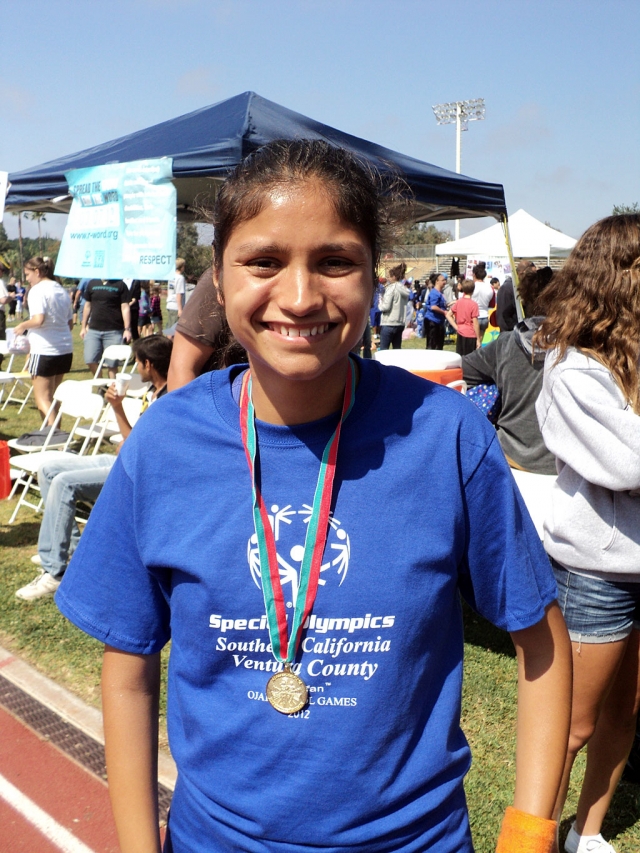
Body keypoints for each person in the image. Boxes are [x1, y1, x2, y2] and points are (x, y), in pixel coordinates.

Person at [55, 139, 571, 853]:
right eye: (264, 261)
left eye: (334, 261)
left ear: (371, 272)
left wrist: (529, 834)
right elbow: (130, 669)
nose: (299, 297)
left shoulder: (447, 436)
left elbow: (539, 638)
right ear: (218, 278)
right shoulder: (165, 443)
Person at [534, 214, 640, 853]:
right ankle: (532, 841)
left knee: (625, 715)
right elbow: (629, 465)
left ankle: (587, 832)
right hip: (595, 570)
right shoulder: (573, 367)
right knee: (569, 726)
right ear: (620, 275)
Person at [16, 335, 172, 601]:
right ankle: (77, 551)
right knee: (47, 469)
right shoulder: (154, 391)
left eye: (137, 363)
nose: (135, 369)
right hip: (125, 459)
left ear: (149, 364)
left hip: (136, 472)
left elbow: (139, 447)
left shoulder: (169, 398)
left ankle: (53, 573)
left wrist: (117, 408)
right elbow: (135, 441)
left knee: (64, 483)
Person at [462, 266, 556, 475]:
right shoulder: (583, 347)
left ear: (523, 302)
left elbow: (461, 369)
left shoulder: (505, 344)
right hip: (562, 464)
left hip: (510, 457)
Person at [14, 257, 73, 424]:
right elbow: (69, 323)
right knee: (53, 397)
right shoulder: (61, 290)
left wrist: (22, 325)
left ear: (37, 272)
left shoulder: (37, 290)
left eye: (27, 274)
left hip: (45, 350)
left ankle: (52, 437)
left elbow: (38, 319)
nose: (27, 279)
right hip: (64, 349)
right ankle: (58, 437)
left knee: (42, 398)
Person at [81, 279, 132, 377]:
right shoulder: (92, 283)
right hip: (93, 330)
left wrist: (127, 329)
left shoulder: (120, 284)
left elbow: (125, 307)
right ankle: (101, 384)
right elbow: (87, 305)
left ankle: (111, 389)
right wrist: (83, 327)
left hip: (114, 330)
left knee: (112, 364)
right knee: (90, 359)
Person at [378, 262, 409, 349]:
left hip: (389, 323)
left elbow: (385, 307)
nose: (387, 278)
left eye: (389, 276)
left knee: (384, 351)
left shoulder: (391, 289)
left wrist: (380, 304)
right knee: (397, 351)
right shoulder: (404, 289)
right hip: (400, 323)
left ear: (394, 277)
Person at [447, 278, 481, 356]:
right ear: (473, 290)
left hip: (460, 332)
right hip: (470, 333)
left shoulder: (459, 302)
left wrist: (456, 327)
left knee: (460, 356)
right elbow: (475, 323)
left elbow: (448, 315)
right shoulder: (473, 305)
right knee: (470, 357)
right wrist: (478, 339)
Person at [424, 272, 448, 349]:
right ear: (437, 281)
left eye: (445, 280)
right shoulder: (434, 293)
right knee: (432, 345)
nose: (445, 282)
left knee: (439, 344)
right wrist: (444, 312)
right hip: (433, 321)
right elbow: (434, 307)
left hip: (439, 321)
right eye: (443, 280)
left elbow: (440, 305)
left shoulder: (440, 293)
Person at [471, 263, 495, 338]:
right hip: (485, 316)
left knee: (473, 341)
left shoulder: (471, 286)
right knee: (480, 341)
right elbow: (492, 304)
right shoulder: (490, 288)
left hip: (473, 317)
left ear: (474, 274)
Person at [166, 258, 186, 327]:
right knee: (173, 330)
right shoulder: (180, 278)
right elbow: (179, 294)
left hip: (170, 304)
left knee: (170, 326)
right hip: (176, 306)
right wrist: (180, 309)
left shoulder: (171, 277)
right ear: (181, 267)